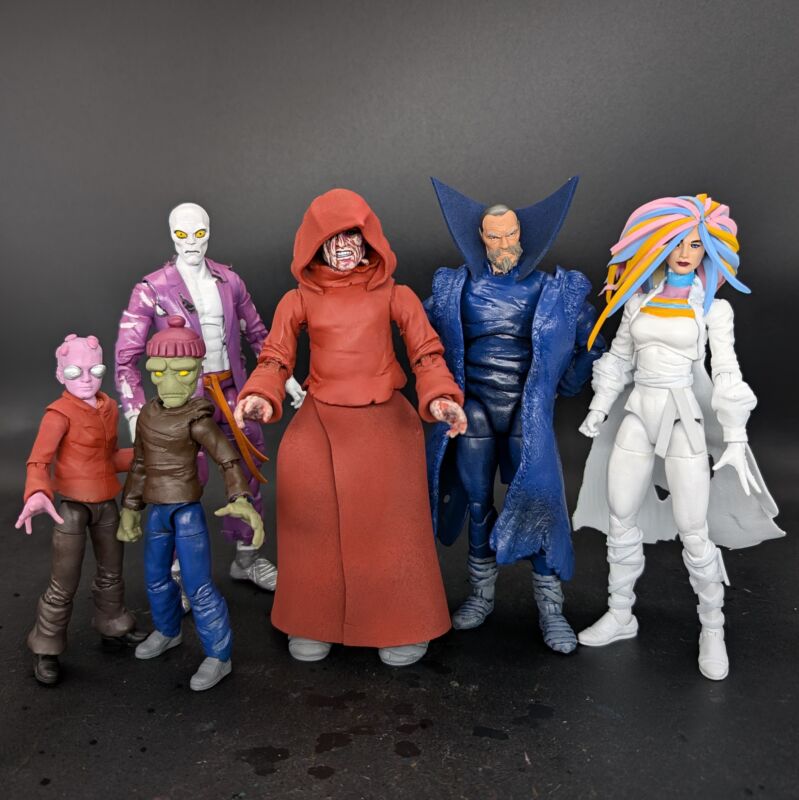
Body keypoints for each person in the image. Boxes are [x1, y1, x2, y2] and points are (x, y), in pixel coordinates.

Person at [235, 188, 467, 667]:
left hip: (384, 423)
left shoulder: (396, 295)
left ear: (369, 240)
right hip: (320, 421)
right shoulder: (297, 299)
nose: (343, 247)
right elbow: (276, 356)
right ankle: (313, 618)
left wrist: (440, 396)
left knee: (391, 528)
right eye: (331, 238)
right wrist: (260, 394)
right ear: (314, 245)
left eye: (352, 236)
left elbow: (426, 352)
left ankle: (400, 620)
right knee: (311, 516)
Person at [574, 194, 783, 680]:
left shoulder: (713, 310)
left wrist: (735, 437)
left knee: (693, 528)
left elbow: (727, 372)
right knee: (621, 515)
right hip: (638, 414)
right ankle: (621, 613)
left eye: (696, 244)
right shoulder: (639, 300)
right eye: (677, 243)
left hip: (682, 418)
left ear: (709, 249)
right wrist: (599, 408)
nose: (686, 253)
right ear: (659, 245)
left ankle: (713, 627)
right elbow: (619, 358)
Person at [425, 177, 605, 654]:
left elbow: (592, 339)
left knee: (542, 503)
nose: (504, 244)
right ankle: (481, 595)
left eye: (511, 234)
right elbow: (419, 337)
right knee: (478, 504)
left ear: (523, 235)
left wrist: (570, 381)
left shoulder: (551, 289)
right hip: (474, 410)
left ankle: (551, 608)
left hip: (529, 411)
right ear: (479, 238)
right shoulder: (455, 287)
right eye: (494, 236)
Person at [115, 202, 305, 593]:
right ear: (172, 236)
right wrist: (134, 414)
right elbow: (125, 359)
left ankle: (247, 557)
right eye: (182, 234)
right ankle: (178, 572)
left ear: (209, 233)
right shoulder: (151, 288)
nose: (191, 242)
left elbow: (258, 335)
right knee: (179, 480)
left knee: (248, 467)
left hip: (231, 390)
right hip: (183, 400)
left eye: (198, 233)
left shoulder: (229, 281)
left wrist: (284, 376)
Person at [117, 317, 264, 691]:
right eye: (160, 372)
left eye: (181, 371)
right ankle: (168, 630)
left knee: (198, 585)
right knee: (155, 579)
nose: (170, 382)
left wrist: (240, 498)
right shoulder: (149, 415)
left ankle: (218, 654)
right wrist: (130, 509)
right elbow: (139, 464)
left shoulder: (198, 419)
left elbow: (228, 459)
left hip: (186, 514)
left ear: (198, 370)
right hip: (157, 512)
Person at [16, 334, 146, 685]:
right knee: (63, 583)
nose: (86, 379)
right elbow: (38, 461)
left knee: (111, 573)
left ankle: (112, 625)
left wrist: (148, 454)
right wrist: (37, 492)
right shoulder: (58, 414)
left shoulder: (108, 407)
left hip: (106, 503)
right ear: (60, 374)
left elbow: (109, 459)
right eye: (75, 371)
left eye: (95, 370)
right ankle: (46, 646)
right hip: (72, 508)